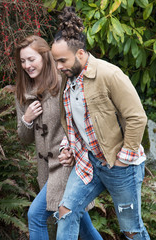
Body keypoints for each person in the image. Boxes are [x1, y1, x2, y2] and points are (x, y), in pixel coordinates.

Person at [51, 7, 151, 240]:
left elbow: (137, 117)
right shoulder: (69, 80)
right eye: (56, 61)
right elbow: (75, 123)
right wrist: (68, 148)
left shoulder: (109, 75)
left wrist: (124, 158)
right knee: (66, 210)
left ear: (81, 54)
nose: (58, 66)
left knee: (131, 230)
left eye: (62, 60)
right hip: (90, 162)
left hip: (121, 167)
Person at [14, 35, 102, 240]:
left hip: (67, 162)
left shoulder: (63, 81)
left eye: (31, 59)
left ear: (45, 57)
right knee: (77, 220)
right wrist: (27, 119)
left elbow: (82, 118)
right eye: (22, 61)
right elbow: (23, 138)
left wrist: (73, 147)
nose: (27, 65)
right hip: (45, 169)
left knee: (35, 216)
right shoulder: (22, 91)